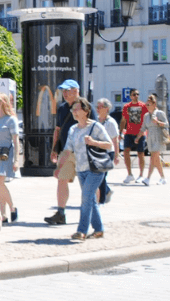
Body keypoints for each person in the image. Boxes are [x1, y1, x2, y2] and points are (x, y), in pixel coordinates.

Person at [45, 79, 93, 225]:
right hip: (66, 151)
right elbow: (58, 129)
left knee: (87, 183)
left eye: (67, 90)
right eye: (63, 91)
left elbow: (94, 127)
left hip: (83, 152)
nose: (64, 94)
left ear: (76, 91)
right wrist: (54, 149)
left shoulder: (86, 107)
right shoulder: (62, 108)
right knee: (61, 179)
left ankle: (92, 213)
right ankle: (60, 213)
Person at [65, 99, 113, 241]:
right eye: (72, 109)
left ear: (86, 111)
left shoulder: (95, 127)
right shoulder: (73, 129)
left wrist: (93, 142)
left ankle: (81, 231)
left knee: (85, 198)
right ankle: (99, 230)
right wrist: (64, 167)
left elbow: (109, 144)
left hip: (95, 168)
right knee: (90, 200)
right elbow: (68, 150)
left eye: (77, 109)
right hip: (80, 169)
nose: (74, 112)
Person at [0, 92, 21, 224]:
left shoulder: (11, 119)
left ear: (1, 102)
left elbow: (16, 140)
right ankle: (3, 215)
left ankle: (12, 207)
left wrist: (17, 160)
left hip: (7, 155)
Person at [119, 89, 148, 184]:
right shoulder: (126, 107)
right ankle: (130, 174)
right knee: (126, 152)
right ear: (130, 96)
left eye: (138, 94)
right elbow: (123, 120)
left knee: (141, 154)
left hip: (140, 133)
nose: (136, 96)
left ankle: (141, 175)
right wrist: (120, 133)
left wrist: (146, 131)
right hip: (129, 133)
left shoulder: (143, 106)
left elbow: (146, 119)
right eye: (134, 94)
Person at [95, 98, 121, 204]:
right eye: (97, 106)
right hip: (97, 151)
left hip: (108, 152)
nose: (97, 109)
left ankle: (101, 200)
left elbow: (115, 140)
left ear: (107, 109)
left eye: (100, 106)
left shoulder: (111, 122)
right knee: (98, 176)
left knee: (102, 175)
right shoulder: (95, 120)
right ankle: (107, 192)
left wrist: (116, 155)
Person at [139, 94, 168, 186]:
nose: (147, 106)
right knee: (155, 158)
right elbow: (143, 127)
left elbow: (166, 124)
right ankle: (163, 178)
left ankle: (148, 178)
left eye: (148, 104)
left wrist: (158, 122)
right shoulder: (146, 116)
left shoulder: (160, 113)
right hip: (150, 138)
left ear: (154, 104)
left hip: (158, 137)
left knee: (154, 157)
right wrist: (137, 137)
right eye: (146, 105)